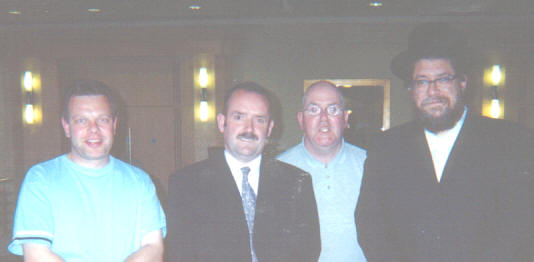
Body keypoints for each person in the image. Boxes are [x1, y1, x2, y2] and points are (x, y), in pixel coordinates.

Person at [356, 23, 534, 262]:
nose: (433, 91)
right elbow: (371, 225)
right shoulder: (386, 147)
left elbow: (526, 228)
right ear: (410, 89)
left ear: (462, 82)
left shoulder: (514, 142)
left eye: (443, 79)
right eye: (422, 81)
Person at [8, 80, 166, 261]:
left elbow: (153, 248)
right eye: (82, 120)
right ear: (67, 127)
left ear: (114, 125)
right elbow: (37, 255)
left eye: (103, 120)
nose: (94, 129)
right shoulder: (40, 180)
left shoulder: (140, 181)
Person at [166, 82, 320, 262]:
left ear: (269, 128)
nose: (249, 129)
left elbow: (308, 252)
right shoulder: (187, 184)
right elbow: (180, 254)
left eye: (259, 120)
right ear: (222, 123)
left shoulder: (296, 181)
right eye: (239, 117)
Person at [278, 80, 366, 262]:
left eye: (333, 109)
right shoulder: (277, 171)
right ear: (301, 120)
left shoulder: (371, 166)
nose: (324, 119)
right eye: (314, 110)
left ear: (345, 119)